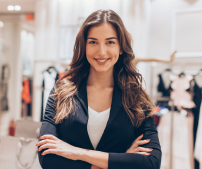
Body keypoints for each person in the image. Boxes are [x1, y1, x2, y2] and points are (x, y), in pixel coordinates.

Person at [36, 10, 161, 169]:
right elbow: (47, 157)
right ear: (84, 46)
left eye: (110, 42)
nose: (101, 52)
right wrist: (121, 160)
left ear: (121, 47)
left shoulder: (137, 97)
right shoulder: (61, 92)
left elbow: (151, 163)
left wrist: (78, 153)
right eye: (93, 42)